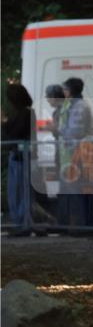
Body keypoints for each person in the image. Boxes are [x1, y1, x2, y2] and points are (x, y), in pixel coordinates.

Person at [58, 77, 93, 233]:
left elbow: (75, 132)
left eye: (65, 88)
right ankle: (89, 227)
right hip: (83, 152)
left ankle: (85, 227)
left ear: (70, 90)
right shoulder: (78, 105)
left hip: (82, 153)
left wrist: (58, 131)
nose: (63, 91)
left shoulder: (78, 106)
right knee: (85, 190)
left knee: (82, 190)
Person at [2, 84, 36, 234]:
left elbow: (15, 134)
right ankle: (20, 223)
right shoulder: (22, 113)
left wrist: (3, 122)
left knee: (20, 191)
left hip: (22, 156)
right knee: (16, 191)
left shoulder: (26, 113)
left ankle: (22, 224)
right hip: (17, 156)